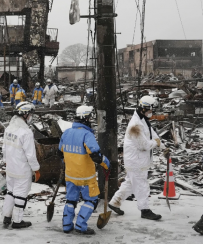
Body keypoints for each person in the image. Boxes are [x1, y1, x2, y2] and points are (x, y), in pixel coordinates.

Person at [108, 96, 162, 220]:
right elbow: (144, 145)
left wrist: (162, 146)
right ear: (144, 109)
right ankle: (145, 210)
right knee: (141, 184)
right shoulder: (135, 124)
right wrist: (156, 144)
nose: (151, 112)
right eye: (150, 110)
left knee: (131, 183)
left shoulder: (143, 120)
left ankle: (115, 202)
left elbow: (153, 134)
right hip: (136, 160)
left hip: (138, 159)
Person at [59, 105, 110, 235]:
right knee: (91, 200)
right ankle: (81, 225)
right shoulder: (87, 134)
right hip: (86, 177)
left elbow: (60, 153)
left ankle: (66, 225)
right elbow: (96, 155)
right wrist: (106, 163)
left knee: (71, 200)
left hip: (70, 175)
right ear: (86, 118)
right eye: (90, 117)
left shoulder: (67, 133)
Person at [2, 102, 40, 229]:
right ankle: (17, 221)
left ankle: (7, 217)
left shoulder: (8, 129)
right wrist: (36, 169)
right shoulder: (26, 132)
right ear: (25, 114)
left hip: (10, 167)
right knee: (21, 193)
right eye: (30, 115)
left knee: (11, 191)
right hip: (22, 169)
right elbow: (30, 155)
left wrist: (6, 161)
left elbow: (4, 149)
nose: (30, 117)